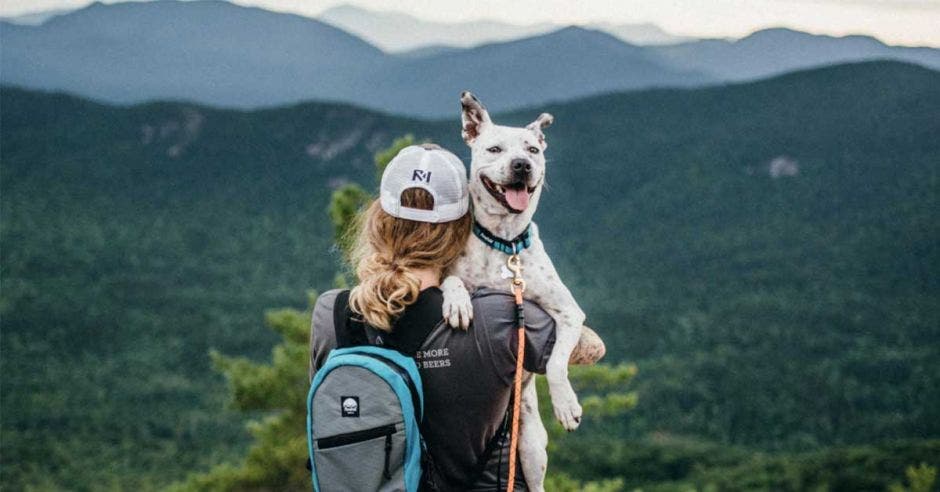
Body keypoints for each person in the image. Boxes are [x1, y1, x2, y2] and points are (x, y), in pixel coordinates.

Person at [309, 144, 603, 491]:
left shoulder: (332, 314)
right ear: (462, 229)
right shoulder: (499, 318)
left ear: (378, 222)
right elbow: (592, 348)